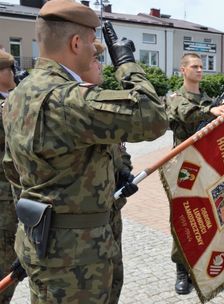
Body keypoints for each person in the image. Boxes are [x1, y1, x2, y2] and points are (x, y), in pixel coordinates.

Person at [2, 0, 168, 302]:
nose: (96, 50)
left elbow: (14, 171)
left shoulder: (18, 96)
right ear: (76, 42)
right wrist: (126, 62)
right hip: (78, 256)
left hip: (44, 245)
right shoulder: (69, 98)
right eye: (93, 43)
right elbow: (153, 117)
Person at [165, 52, 224, 294]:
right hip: (183, 167)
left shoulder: (209, 99)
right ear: (183, 70)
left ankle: (200, 266)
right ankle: (182, 270)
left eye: (202, 67)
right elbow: (186, 113)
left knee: (206, 216)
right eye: (195, 66)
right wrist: (212, 111)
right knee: (182, 217)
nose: (200, 70)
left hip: (207, 167)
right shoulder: (175, 97)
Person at [79, 40, 138, 304]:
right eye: (95, 60)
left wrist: (124, 172)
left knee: (115, 277)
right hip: (84, 223)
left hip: (112, 208)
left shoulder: (101, 106)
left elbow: (119, 148)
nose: (100, 66)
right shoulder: (76, 106)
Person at [0, 49, 18, 304]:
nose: (13, 73)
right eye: (8, 69)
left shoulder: (13, 99)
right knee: (5, 263)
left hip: (14, 197)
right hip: (3, 199)